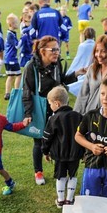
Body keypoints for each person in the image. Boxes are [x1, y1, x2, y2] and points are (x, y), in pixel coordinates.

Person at [22, 36, 84, 185]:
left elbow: (60, 80)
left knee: (57, 137)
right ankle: (38, 171)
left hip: (57, 108)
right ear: (42, 51)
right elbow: (27, 91)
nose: (57, 52)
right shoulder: (31, 67)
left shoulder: (57, 64)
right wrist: (28, 113)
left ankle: (60, 169)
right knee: (39, 141)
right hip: (39, 108)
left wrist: (76, 74)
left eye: (58, 49)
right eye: (53, 49)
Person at [42, 86, 84, 207]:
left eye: (50, 104)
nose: (50, 107)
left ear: (57, 103)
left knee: (60, 176)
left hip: (59, 155)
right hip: (76, 154)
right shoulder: (78, 116)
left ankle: (60, 200)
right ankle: (69, 200)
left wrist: (45, 151)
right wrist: (84, 152)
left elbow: (47, 137)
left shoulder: (53, 118)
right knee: (73, 175)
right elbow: (84, 135)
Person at [73, 34, 107, 115]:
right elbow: (83, 95)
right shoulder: (92, 69)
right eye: (97, 51)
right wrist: (76, 116)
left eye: (103, 51)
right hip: (89, 115)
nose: (99, 55)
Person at [3, 13, 21, 101]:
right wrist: (23, 39)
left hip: (7, 58)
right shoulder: (11, 34)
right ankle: (17, 92)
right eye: (16, 23)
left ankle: (7, 93)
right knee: (18, 75)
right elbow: (17, 46)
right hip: (11, 59)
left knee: (10, 76)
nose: (18, 24)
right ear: (12, 24)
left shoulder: (10, 33)